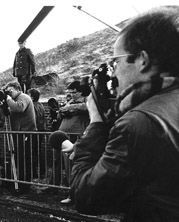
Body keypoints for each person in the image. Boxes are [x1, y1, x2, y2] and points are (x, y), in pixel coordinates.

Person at [71, 6, 179, 221]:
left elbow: (88, 196)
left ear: (142, 60)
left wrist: (96, 125)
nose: (115, 72)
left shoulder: (138, 122)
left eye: (116, 61)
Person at [52, 80, 89, 204]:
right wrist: (63, 111)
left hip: (75, 137)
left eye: (74, 92)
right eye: (70, 92)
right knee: (58, 163)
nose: (72, 95)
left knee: (71, 167)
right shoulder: (70, 101)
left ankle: (73, 195)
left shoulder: (87, 100)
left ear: (81, 92)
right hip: (62, 136)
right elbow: (59, 114)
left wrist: (71, 108)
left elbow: (87, 108)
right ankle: (55, 187)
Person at [5, 82, 36, 191]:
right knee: (19, 158)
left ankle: (24, 184)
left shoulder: (23, 97)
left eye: (10, 91)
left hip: (25, 133)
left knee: (24, 159)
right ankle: (19, 181)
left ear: (18, 89)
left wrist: (8, 100)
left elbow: (19, 108)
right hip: (19, 133)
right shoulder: (15, 99)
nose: (9, 93)